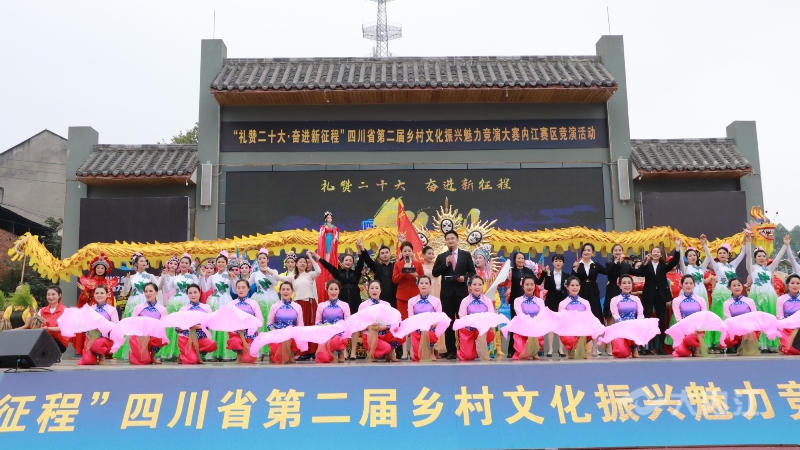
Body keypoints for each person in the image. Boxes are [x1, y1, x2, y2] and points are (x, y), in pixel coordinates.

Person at [630, 240, 681, 354]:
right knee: (647, 319)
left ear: (661, 255)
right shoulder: (647, 265)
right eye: (654, 251)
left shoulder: (664, 266)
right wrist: (644, 262)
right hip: (648, 296)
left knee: (662, 322)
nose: (656, 253)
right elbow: (638, 272)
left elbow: (674, 261)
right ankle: (645, 346)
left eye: (658, 252)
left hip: (661, 296)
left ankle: (661, 347)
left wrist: (677, 248)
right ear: (651, 253)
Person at [432, 230, 476, 359]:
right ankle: (451, 350)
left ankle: (464, 349)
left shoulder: (465, 255)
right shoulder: (441, 257)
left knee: (462, 321)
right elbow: (435, 273)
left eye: (452, 238)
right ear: (445, 242)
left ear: (457, 240)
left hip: (461, 294)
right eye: (448, 239)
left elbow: (472, 273)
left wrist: (465, 278)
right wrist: (446, 264)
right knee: (449, 322)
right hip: (446, 294)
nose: (450, 241)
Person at [315, 250, 365, 360]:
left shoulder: (356, 273)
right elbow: (328, 266)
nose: (348, 262)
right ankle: (343, 351)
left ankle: (353, 352)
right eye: (346, 260)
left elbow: (361, 263)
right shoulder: (338, 273)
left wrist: (361, 251)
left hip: (355, 301)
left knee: (355, 327)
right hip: (342, 303)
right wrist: (319, 258)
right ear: (342, 262)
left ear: (353, 263)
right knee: (343, 327)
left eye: (350, 260)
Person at [702, 234, 747, 350]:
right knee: (719, 317)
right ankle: (718, 342)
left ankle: (730, 341)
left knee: (730, 318)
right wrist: (704, 244)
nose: (722, 254)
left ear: (728, 255)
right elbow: (709, 256)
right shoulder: (717, 266)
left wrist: (745, 243)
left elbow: (742, 254)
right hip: (719, 295)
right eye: (720, 253)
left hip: (731, 295)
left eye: (724, 253)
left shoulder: (732, 265)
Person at [746, 233, 789, 352]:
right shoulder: (752, 268)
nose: (761, 257)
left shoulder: (769, 269)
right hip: (756, 295)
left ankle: (771, 344)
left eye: (763, 256)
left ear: (766, 258)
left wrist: (785, 245)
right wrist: (748, 242)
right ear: (755, 258)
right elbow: (748, 256)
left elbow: (778, 258)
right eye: (759, 256)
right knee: (758, 320)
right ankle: (761, 344)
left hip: (770, 296)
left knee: (770, 319)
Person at [276, 252, 320, 359]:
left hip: (309, 304)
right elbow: (279, 278)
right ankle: (302, 351)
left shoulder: (310, 275)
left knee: (310, 327)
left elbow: (319, 271)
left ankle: (312, 351)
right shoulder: (292, 277)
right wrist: (267, 270)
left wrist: (311, 258)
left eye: (304, 262)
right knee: (300, 327)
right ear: (296, 264)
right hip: (298, 305)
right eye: (300, 262)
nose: (303, 263)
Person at [75, 253, 118, 356]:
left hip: (105, 312)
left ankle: (105, 351)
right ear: (94, 269)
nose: (100, 269)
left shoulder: (108, 283)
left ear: (105, 270)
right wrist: (84, 292)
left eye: (102, 268)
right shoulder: (90, 282)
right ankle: (90, 350)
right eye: (98, 267)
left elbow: (110, 300)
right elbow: (85, 299)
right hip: (93, 309)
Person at [158, 253, 199, 361]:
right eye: (182, 262)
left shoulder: (193, 277)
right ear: (179, 264)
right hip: (174, 304)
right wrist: (164, 278)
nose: (184, 264)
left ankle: (185, 352)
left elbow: (197, 290)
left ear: (189, 265)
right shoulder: (175, 277)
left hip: (187, 302)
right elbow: (167, 289)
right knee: (173, 328)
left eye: (186, 263)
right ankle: (171, 351)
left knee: (186, 328)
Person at [392, 241, 424, 359]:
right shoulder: (398, 264)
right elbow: (395, 280)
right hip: (402, 297)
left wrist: (414, 274)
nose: (407, 253)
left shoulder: (418, 264)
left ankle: (414, 350)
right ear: (401, 252)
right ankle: (404, 352)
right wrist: (404, 271)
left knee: (415, 323)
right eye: (404, 251)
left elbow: (423, 279)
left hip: (415, 298)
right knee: (403, 324)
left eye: (409, 250)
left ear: (412, 252)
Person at [358, 280, 403, 362]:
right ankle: (372, 353)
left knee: (400, 333)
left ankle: (390, 354)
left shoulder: (386, 304)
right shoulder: (363, 305)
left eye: (376, 288)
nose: (374, 290)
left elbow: (392, 321)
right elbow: (359, 324)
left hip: (384, 332)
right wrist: (372, 327)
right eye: (372, 288)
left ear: (380, 290)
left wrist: (384, 327)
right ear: (368, 290)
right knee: (386, 348)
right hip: (370, 335)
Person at [249, 248, 280, 359]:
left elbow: (275, 282)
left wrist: (268, 273)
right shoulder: (255, 274)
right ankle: (261, 349)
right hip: (259, 300)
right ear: (257, 261)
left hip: (271, 299)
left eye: (264, 258)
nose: (262, 260)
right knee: (260, 323)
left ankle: (272, 349)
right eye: (260, 258)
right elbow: (247, 285)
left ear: (267, 260)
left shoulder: (273, 271)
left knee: (270, 322)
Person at [78, 285, 119, 365]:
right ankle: (93, 355)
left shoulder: (112, 310)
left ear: (107, 295)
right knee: (87, 361)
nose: (99, 295)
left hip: (105, 339)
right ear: (94, 295)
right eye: (97, 293)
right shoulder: (90, 309)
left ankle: (101, 354)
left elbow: (116, 327)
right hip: (91, 338)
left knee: (98, 344)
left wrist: (103, 328)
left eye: (102, 293)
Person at [176, 284, 217, 364]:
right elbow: (177, 327)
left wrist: (197, 326)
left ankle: (192, 352)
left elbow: (210, 324)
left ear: (199, 293)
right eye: (190, 293)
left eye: (195, 292)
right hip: (186, 338)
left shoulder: (206, 307)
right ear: (187, 295)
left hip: (200, 338)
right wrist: (186, 326)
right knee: (192, 361)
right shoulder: (183, 309)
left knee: (212, 345)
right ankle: (183, 354)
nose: (193, 295)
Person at [457, 276, 495, 361]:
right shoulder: (465, 301)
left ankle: (483, 352)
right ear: (470, 286)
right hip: (469, 331)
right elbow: (462, 318)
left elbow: (491, 316)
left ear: (483, 286)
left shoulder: (487, 300)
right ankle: (470, 349)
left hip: (482, 331)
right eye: (474, 284)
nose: (477, 287)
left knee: (483, 330)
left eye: (480, 284)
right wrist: (472, 324)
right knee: (468, 357)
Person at [406, 275, 443, 362]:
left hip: (431, 329)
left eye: (426, 283)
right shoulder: (411, 301)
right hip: (417, 329)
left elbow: (439, 318)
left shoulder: (436, 301)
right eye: (421, 283)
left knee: (430, 335)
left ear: (430, 285)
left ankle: (432, 351)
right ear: (418, 285)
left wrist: (430, 325)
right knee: (417, 357)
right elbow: (411, 318)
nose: (424, 285)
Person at [267, 281, 305, 364]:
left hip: (292, 335)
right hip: (278, 335)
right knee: (284, 338)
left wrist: (293, 333)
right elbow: (269, 324)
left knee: (287, 337)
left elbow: (300, 325)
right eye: (283, 289)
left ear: (292, 291)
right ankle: (287, 357)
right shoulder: (275, 306)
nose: (285, 291)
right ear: (280, 291)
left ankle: (288, 357)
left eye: (288, 289)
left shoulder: (297, 306)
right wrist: (276, 332)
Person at [129, 283, 167, 365]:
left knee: (161, 337)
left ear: (156, 292)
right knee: (144, 361)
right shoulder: (138, 308)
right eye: (146, 291)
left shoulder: (162, 309)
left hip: (153, 336)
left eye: (150, 291)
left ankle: (152, 356)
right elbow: (132, 323)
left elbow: (162, 327)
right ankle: (134, 353)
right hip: (140, 336)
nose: (148, 293)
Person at [226, 279, 263, 364]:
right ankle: (239, 354)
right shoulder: (231, 304)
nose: (241, 290)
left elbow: (260, 320)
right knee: (235, 342)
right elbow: (228, 320)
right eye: (238, 288)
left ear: (248, 289)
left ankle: (247, 352)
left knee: (248, 360)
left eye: (243, 287)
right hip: (236, 334)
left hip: (250, 334)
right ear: (236, 289)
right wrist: (236, 327)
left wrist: (249, 325)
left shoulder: (253, 303)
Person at [607, 274, 644, 358]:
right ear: (620, 286)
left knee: (637, 324)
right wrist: (623, 324)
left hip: (634, 326)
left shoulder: (636, 299)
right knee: (621, 353)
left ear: (632, 285)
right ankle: (625, 346)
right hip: (620, 326)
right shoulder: (614, 299)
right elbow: (615, 314)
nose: (627, 285)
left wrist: (638, 322)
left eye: (629, 283)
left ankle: (634, 347)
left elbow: (640, 314)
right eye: (624, 283)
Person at [538, 254, 568, 357]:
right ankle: (550, 349)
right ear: (552, 263)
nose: (558, 263)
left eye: (560, 261)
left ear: (563, 263)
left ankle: (561, 349)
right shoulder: (548, 274)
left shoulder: (566, 275)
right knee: (551, 325)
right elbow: (542, 284)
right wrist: (546, 273)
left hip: (562, 301)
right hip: (551, 301)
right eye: (556, 261)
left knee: (561, 325)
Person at [511, 275, 547, 360]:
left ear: (535, 286)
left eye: (532, 284)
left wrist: (534, 323)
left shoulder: (540, 301)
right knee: (522, 356)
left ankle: (534, 350)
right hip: (522, 331)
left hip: (535, 329)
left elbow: (541, 315)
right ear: (523, 286)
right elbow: (520, 315)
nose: (529, 287)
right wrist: (530, 322)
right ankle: (530, 350)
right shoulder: (517, 300)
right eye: (527, 284)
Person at [314, 279, 351, 363]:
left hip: (340, 335)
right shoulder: (321, 306)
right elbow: (317, 322)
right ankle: (328, 352)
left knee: (336, 341)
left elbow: (348, 323)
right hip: (326, 334)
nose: (333, 292)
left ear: (339, 291)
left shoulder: (345, 305)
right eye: (331, 289)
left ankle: (340, 351)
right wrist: (324, 326)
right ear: (327, 290)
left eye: (336, 289)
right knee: (322, 359)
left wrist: (338, 328)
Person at [671, 275, 708, 357]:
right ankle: (686, 345)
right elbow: (678, 318)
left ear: (694, 285)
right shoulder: (676, 300)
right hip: (683, 328)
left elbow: (704, 316)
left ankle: (697, 348)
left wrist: (697, 327)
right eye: (686, 283)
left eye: (691, 283)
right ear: (681, 285)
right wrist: (687, 327)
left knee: (700, 328)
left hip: (698, 329)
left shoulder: (701, 299)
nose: (689, 285)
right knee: (682, 353)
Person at [558, 276, 595, 359]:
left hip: (582, 330)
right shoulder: (563, 303)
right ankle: (573, 351)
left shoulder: (585, 302)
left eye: (577, 285)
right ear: (567, 287)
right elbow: (562, 321)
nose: (575, 287)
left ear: (580, 287)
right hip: (569, 331)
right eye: (572, 285)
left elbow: (590, 318)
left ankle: (580, 350)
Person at [721, 278, 760, 355]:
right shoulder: (727, 303)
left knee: (749, 330)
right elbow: (728, 318)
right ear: (729, 288)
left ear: (742, 286)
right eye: (734, 285)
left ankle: (745, 346)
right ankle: (736, 345)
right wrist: (738, 325)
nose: (737, 287)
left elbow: (754, 316)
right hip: (735, 327)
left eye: (739, 285)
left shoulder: (749, 301)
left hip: (748, 328)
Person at [358, 240, 397, 307]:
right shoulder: (376, 266)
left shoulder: (396, 266)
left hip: (394, 298)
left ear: (390, 254)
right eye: (382, 253)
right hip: (380, 298)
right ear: (379, 256)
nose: (385, 254)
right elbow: (368, 260)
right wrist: (362, 248)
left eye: (387, 252)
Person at [36, 286, 69, 354]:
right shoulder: (42, 310)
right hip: (43, 339)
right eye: (48, 295)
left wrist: (48, 328)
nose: (50, 297)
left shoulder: (65, 310)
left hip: (59, 341)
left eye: (53, 294)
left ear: (59, 295)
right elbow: (36, 326)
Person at [316, 211, 339, 302]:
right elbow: (320, 235)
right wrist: (322, 234)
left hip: (331, 241)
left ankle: (329, 263)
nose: (330, 219)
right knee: (326, 253)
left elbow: (336, 234)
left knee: (330, 253)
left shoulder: (334, 227)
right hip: (326, 241)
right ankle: (325, 262)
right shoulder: (323, 227)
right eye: (328, 218)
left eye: (331, 217)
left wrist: (335, 239)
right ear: (326, 219)